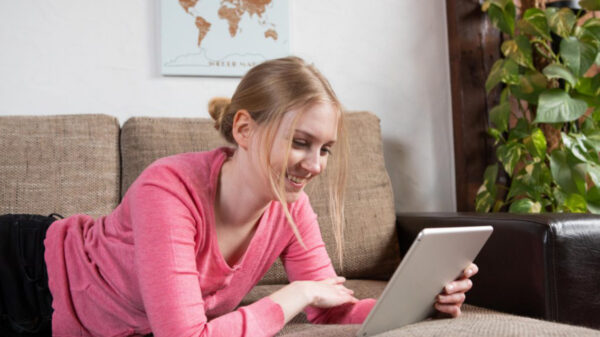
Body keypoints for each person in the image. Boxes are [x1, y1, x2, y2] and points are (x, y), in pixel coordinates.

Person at [9, 56, 477, 337]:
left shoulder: (292, 207)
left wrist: (422, 303)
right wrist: (294, 294)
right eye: (300, 142)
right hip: (28, 272)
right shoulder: (166, 189)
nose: (315, 166)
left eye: (325, 149)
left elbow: (329, 310)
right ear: (244, 129)